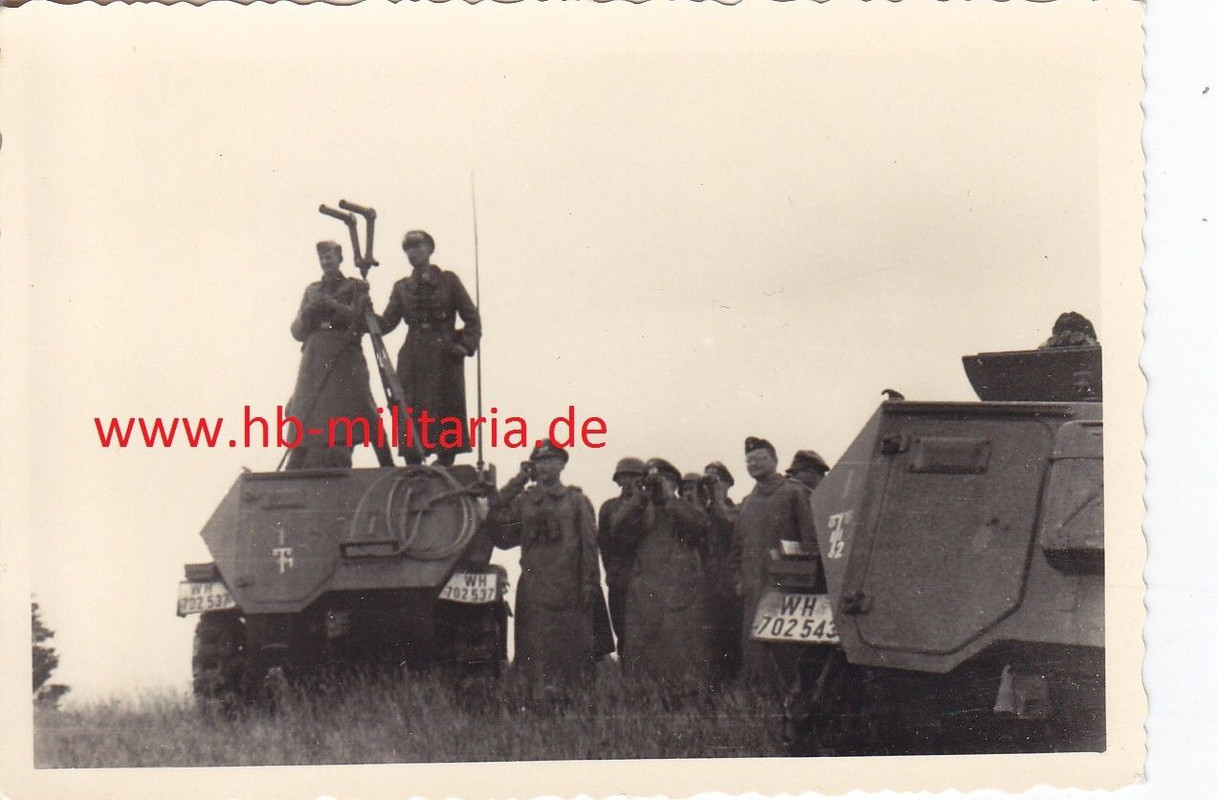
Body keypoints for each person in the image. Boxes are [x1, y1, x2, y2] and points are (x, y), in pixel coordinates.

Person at [483, 440, 612, 703]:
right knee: (535, 654)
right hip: (534, 589)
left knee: (572, 654)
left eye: (551, 460)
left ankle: (576, 704)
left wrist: (589, 585)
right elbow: (499, 529)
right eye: (539, 461)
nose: (545, 467)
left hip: (569, 588)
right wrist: (518, 481)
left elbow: (589, 547)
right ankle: (536, 704)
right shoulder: (525, 501)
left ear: (563, 464)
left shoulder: (577, 501)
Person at [377, 230, 481, 466]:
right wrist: (363, 310)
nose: (412, 253)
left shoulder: (449, 281)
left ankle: (445, 463)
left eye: (417, 246)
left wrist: (465, 345)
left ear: (430, 248)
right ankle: (413, 464)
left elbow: (472, 317)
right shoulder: (402, 287)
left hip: (444, 355)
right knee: (409, 409)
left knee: (445, 409)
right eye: (407, 249)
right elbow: (385, 323)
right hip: (412, 357)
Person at [284, 241, 390, 470]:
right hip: (313, 357)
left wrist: (334, 306)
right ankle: (297, 459)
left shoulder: (354, 286)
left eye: (329, 257)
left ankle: (387, 463)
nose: (325, 262)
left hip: (343, 353)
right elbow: (296, 331)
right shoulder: (312, 290)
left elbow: (363, 321)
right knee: (306, 411)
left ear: (340, 258)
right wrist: (308, 313)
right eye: (322, 258)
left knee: (362, 404)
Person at [613, 458, 713, 697]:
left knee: (680, 651)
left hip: (679, 590)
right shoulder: (641, 510)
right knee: (644, 650)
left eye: (663, 480)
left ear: (675, 484)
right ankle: (644, 696)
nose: (656, 486)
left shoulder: (685, 506)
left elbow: (700, 526)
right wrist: (639, 498)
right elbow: (617, 530)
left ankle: (685, 696)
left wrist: (670, 500)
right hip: (645, 591)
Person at [731, 436, 815, 690]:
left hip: (787, 587)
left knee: (786, 651)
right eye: (749, 460)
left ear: (775, 460)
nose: (754, 464)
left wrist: (801, 581)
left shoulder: (794, 492)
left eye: (760, 458)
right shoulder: (746, 503)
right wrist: (738, 580)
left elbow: (810, 540)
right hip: (753, 588)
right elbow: (736, 549)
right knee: (754, 650)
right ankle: (760, 701)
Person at [597, 457, 646, 658]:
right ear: (617, 480)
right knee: (623, 632)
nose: (629, 481)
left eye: (634, 476)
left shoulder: (649, 506)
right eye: (624, 476)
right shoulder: (608, 508)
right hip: (620, 579)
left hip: (647, 578)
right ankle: (629, 682)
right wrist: (612, 573)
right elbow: (604, 544)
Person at [702, 460, 742, 684]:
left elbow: (730, 528)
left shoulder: (735, 509)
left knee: (730, 637)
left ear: (727, 483)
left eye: (715, 479)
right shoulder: (701, 511)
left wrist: (716, 499)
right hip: (705, 583)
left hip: (728, 585)